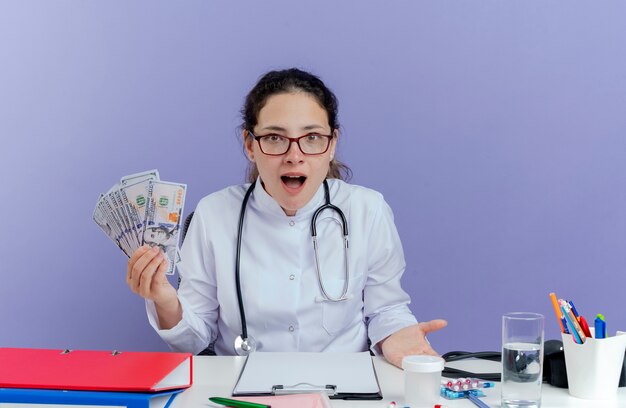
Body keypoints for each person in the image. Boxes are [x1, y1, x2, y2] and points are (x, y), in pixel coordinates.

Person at [126, 68, 447, 368]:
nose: (295, 155)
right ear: (250, 145)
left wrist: (396, 337)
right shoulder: (214, 215)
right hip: (240, 389)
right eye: (275, 138)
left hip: (341, 392)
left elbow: (386, 310)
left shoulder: (368, 209)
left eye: (311, 138)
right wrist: (165, 300)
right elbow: (192, 341)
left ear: (332, 144)